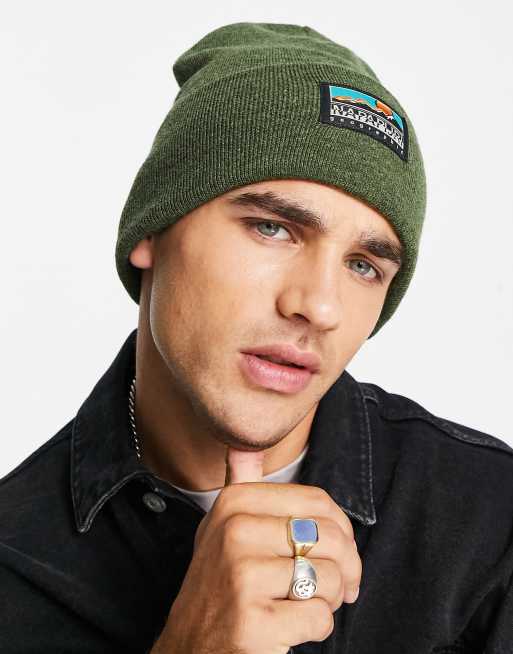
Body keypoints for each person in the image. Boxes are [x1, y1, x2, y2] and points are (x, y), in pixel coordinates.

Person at [1, 21, 512, 654]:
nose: (318, 306)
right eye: (272, 228)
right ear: (152, 231)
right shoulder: (15, 567)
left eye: (363, 266)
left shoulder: (490, 523)